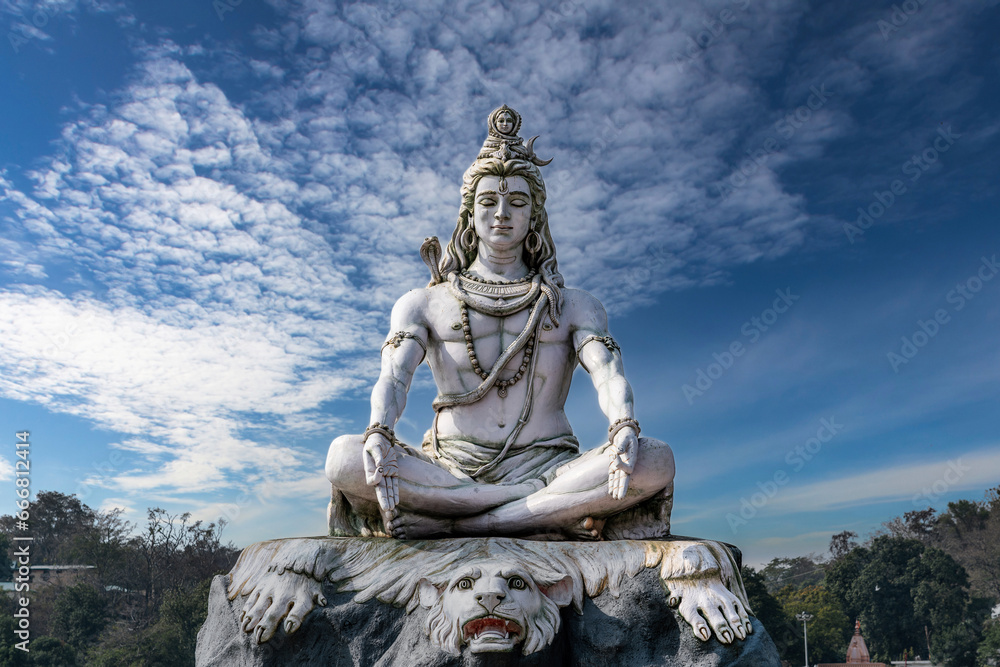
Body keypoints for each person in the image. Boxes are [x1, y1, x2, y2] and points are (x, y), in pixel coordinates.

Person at [325, 105, 675, 540]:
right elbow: (394, 377)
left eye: (517, 202)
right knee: (344, 458)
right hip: (450, 469)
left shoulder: (575, 305)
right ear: (469, 214)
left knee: (654, 459)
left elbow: (608, 374)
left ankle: (462, 521)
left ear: (534, 216)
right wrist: (380, 431)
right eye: (488, 201)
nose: (501, 213)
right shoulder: (424, 303)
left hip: (548, 466)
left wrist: (623, 424)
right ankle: (538, 512)